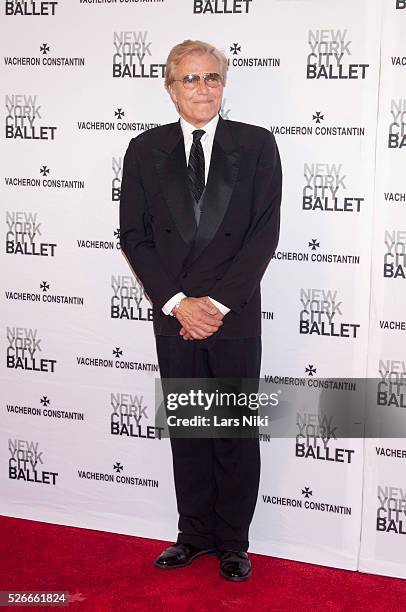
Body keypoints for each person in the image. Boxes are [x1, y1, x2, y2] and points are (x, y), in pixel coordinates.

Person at [120, 39, 282, 582]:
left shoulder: (256, 145)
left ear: (224, 84)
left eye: (212, 78)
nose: (203, 88)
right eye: (190, 79)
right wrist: (176, 304)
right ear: (171, 88)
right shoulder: (144, 150)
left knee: (234, 431)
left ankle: (234, 542)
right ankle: (193, 535)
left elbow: (263, 235)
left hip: (231, 314)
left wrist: (213, 304)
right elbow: (135, 237)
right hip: (175, 315)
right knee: (190, 429)